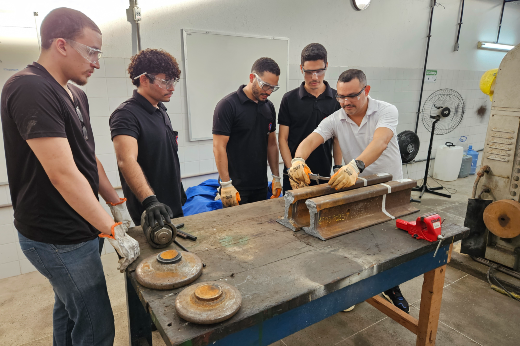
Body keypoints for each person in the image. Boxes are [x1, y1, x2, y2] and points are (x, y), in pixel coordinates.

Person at [0, 7, 139, 346]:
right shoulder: (30, 88)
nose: (97, 62)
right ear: (61, 44)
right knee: (96, 326)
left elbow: (86, 158)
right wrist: (113, 230)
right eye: (92, 51)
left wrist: (116, 203)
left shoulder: (75, 93)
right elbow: (62, 174)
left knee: (68, 308)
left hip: (79, 226)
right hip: (56, 236)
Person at [288, 69, 408, 313]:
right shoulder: (336, 118)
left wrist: (356, 165)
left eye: (351, 96)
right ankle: (352, 288)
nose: (345, 102)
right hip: (357, 186)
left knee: (388, 243)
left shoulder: (386, 110)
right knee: (355, 242)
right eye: (340, 97)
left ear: (367, 90)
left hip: (389, 187)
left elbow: (380, 141)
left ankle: (391, 286)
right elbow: (311, 139)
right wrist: (297, 160)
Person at [110, 49, 184, 230]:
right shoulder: (126, 114)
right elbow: (126, 161)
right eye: (165, 81)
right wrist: (151, 202)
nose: (172, 87)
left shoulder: (161, 110)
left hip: (174, 207)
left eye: (173, 81)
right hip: (153, 213)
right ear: (144, 79)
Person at [212, 57, 281, 207]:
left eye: (273, 88)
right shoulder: (227, 106)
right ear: (252, 78)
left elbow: (271, 144)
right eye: (265, 86)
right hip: (235, 187)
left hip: (260, 185)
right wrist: (225, 184)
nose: (269, 92)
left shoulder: (268, 107)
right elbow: (219, 147)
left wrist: (276, 177)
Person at [278, 43, 342, 192]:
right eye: (309, 72)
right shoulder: (289, 99)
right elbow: (283, 139)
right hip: (295, 176)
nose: (314, 77)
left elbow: (337, 138)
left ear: (326, 66)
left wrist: (337, 167)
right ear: (301, 69)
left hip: (323, 175)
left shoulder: (336, 99)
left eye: (319, 71)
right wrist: (291, 171)